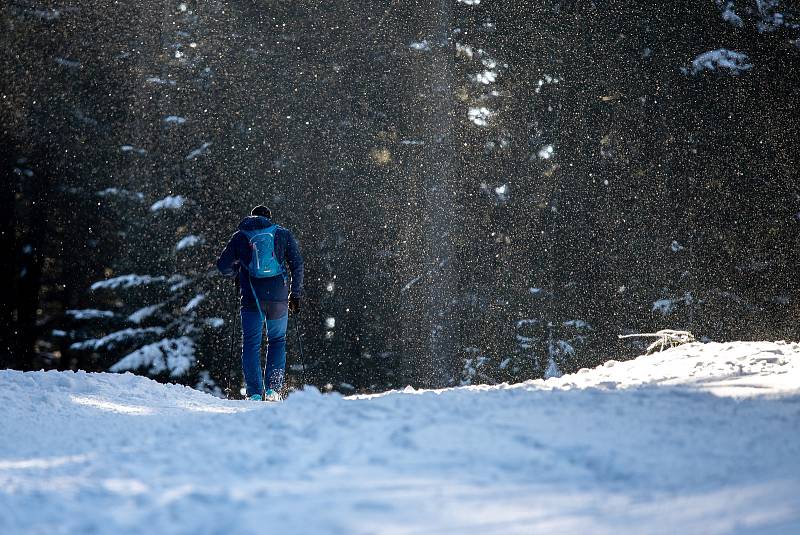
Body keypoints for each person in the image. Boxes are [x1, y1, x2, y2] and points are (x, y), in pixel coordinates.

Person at [217, 205, 303, 401]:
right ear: (269, 219)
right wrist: (295, 294)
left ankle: (255, 393)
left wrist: (236, 273)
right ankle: (273, 390)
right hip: (279, 296)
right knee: (277, 341)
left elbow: (223, 266)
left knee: (251, 344)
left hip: (251, 297)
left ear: (251, 217)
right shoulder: (282, 234)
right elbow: (297, 264)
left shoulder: (240, 236)